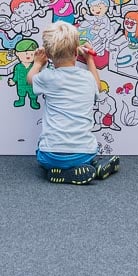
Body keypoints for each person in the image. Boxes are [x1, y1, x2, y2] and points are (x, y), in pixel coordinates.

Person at [29, 22, 121, 185]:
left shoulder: (47, 77)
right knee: (86, 156)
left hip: (49, 156)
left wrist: (37, 63)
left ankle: (58, 170)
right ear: (75, 52)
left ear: (48, 55)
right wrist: (90, 59)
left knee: (43, 154)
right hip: (83, 154)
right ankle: (92, 166)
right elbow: (98, 86)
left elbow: (30, 79)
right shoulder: (87, 78)